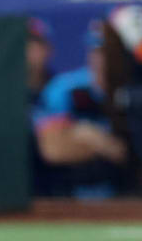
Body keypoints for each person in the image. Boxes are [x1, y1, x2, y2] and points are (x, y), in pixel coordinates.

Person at [32, 21, 128, 197]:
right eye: (97, 50)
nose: (103, 57)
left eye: (109, 51)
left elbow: (127, 152)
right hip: (71, 191)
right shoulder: (65, 87)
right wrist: (92, 138)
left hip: (125, 191)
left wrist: (80, 135)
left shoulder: (134, 91)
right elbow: (52, 149)